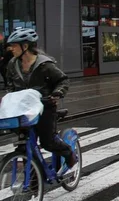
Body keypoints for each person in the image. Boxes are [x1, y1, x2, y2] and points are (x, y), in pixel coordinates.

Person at [5, 28, 76, 170]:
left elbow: (63, 80)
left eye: (14, 45)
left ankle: (69, 155)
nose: (11, 48)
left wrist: (57, 94)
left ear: (25, 46)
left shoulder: (45, 65)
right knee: (25, 144)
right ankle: (33, 181)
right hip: (23, 109)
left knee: (47, 142)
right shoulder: (13, 64)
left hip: (44, 108)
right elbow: (10, 85)